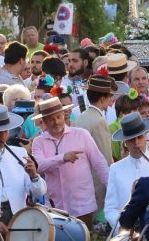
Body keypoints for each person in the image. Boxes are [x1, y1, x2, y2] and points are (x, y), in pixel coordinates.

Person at [32, 97, 109, 229]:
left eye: (58, 117)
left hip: (83, 206)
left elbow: (99, 163)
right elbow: (38, 166)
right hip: (56, 208)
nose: (56, 122)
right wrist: (62, 158)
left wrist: (111, 189)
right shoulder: (39, 142)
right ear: (43, 121)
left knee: (85, 236)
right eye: (51, 119)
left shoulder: (81, 134)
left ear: (63, 115)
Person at [104, 112, 149, 229]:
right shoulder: (116, 168)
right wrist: (122, 228)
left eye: (140, 137)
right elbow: (110, 208)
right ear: (126, 143)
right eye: (132, 140)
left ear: (146, 137)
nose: (136, 143)